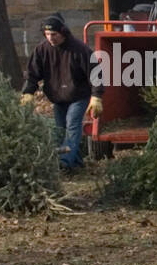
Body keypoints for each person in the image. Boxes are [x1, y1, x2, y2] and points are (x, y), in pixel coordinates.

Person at [20, 13, 102, 171]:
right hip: (58, 98)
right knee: (60, 130)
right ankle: (76, 165)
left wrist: (96, 96)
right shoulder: (42, 50)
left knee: (72, 125)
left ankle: (63, 162)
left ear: (63, 32)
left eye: (54, 34)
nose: (51, 38)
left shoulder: (79, 50)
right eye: (48, 34)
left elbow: (95, 73)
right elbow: (32, 74)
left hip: (78, 96)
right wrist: (28, 92)